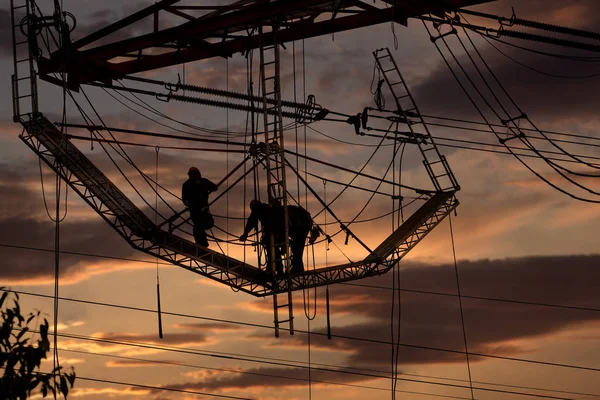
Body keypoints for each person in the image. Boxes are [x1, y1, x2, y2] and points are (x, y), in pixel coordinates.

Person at [239, 200, 312, 274]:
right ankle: (280, 266)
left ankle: (292, 267)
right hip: (295, 225)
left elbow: (281, 225)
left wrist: (282, 240)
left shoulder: (270, 212)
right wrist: (245, 233)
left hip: (300, 224)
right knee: (273, 243)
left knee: (295, 246)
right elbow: (251, 221)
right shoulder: (262, 211)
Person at [182, 166, 218, 247]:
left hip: (199, 208)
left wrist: (187, 203)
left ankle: (202, 243)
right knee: (199, 225)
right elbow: (214, 187)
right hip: (197, 209)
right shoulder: (201, 182)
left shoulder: (191, 183)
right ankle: (202, 243)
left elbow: (214, 187)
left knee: (201, 225)